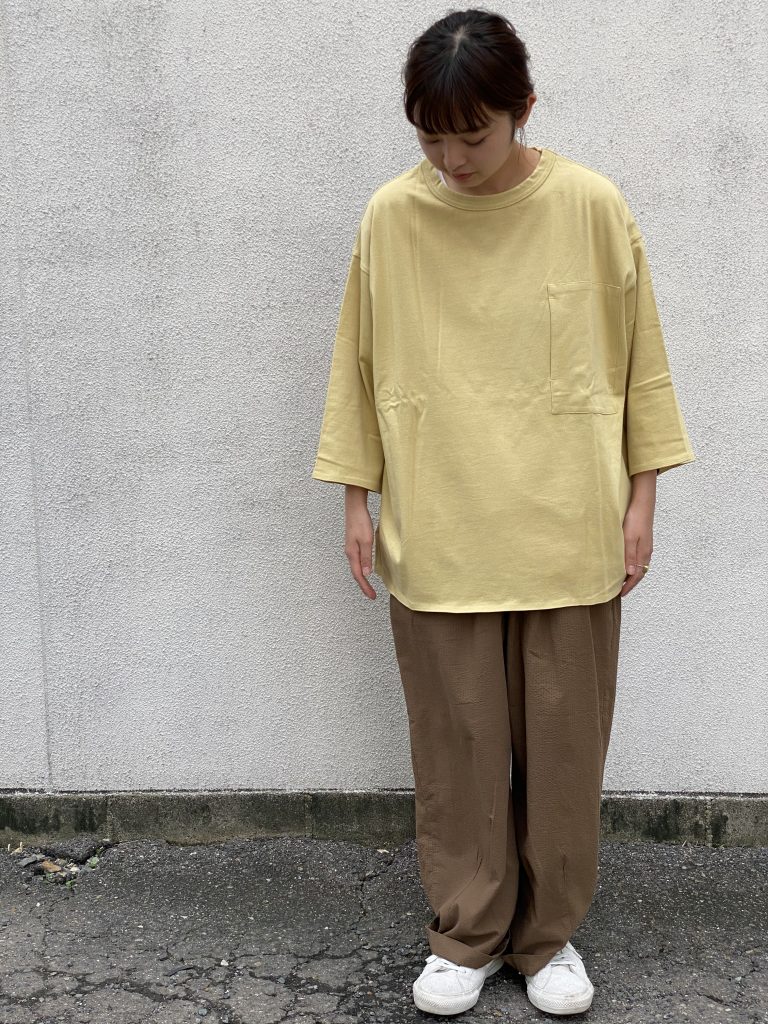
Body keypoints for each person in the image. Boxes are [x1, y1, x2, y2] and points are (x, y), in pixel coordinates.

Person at [311, 7, 695, 1017]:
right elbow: (359, 362)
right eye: (431, 136)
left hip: (569, 517)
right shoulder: (392, 216)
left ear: (523, 108)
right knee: (460, 744)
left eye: (472, 135)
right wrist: (356, 499)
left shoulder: (591, 205)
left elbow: (640, 359)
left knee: (564, 748)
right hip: (440, 516)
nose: (452, 160)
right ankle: (466, 932)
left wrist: (643, 497)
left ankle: (548, 935)